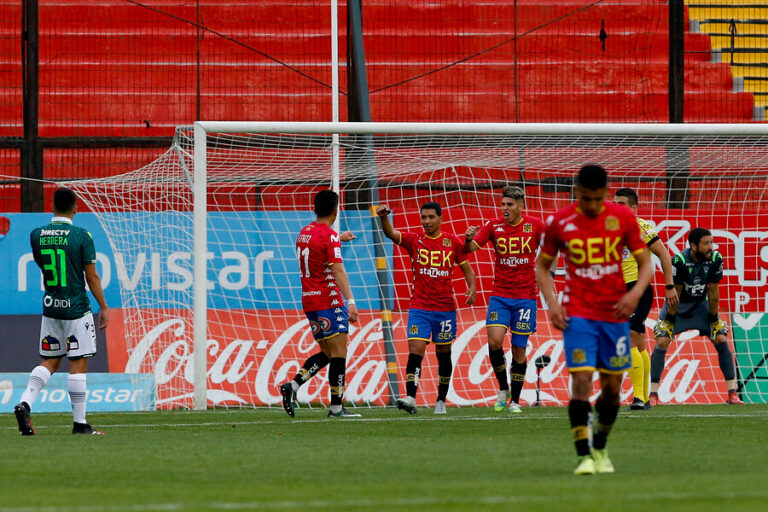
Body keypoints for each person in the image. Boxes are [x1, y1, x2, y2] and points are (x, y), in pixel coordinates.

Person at [536, 164, 652, 475]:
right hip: (579, 315)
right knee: (583, 381)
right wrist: (552, 303)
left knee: (612, 388)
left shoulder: (623, 218)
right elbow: (542, 268)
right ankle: (584, 455)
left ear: (606, 193)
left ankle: (600, 445)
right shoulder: (560, 222)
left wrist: (635, 293)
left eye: (597, 199)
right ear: (576, 193)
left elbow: (645, 261)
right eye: (586, 199)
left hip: (614, 316)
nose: (591, 205)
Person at [14, 187, 109, 436]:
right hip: (76, 308)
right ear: (76, 207)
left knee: (51, 360)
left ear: (52, 207)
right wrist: (104, 306)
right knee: (78, 363)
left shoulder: (37, 235)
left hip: (51, 307)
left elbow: (42, 264)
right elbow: (92, 276)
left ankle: (25, 403)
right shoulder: (81, 236)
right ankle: (80, 424)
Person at [377, 201, 476, 415]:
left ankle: (441, 400)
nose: (427, 221)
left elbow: (466, 267)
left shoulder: (452, 242)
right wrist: (383, 218)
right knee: (415, 351)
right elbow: (392, 234)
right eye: (423, 217)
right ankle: (411, 396)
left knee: (443, 353)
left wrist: (472, 287)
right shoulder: (415, 240)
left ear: (440, 218)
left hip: (445, 309)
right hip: (419, 307)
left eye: (431, 217)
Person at [279, 189, 361, 418]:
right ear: (336, 210)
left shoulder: (305, 232)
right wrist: (351, 302)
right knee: (339, 353)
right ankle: (336, 408)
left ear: (315, 208)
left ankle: (293, 386)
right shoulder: (329, 235)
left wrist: (338, 239)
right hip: (329, 300)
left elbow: (316, 252)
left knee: (326, 352)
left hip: (310, 300)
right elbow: (337, 269)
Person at [464, 185, 545, 413]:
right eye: (503, 204)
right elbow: (470, 249)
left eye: (510, 205)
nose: (505, 208)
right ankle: (503, 389)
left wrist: (547, 268)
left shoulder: (535, 225)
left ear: (521, 205)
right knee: (494, 342)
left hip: (526, 298)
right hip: (500, 296)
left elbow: (552, 248)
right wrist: (468, 239)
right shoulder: (493, 226)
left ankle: (515, 401)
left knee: (519, 350)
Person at [649, 227, 743, 405]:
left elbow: (714, 292)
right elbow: (674, 294)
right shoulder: (680, 261)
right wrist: (669, 320)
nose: (711, 247)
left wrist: (714, 318)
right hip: (677, 307)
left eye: (711, 242)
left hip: (700, 306)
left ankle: (732, 394)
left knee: (721, 339)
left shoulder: (716, 259)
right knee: (661, 341)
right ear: (693, 246)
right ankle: (653, 395)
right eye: (706, 243)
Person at [613, 188, 678, 410]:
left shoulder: (642, 227)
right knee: (639, 344)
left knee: (629, 338)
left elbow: (664, 255)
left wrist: (670, 286)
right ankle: (647, 397)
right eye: (614, 203)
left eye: (621, 204)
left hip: (638, 290)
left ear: (633, 208)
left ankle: (639, 398)